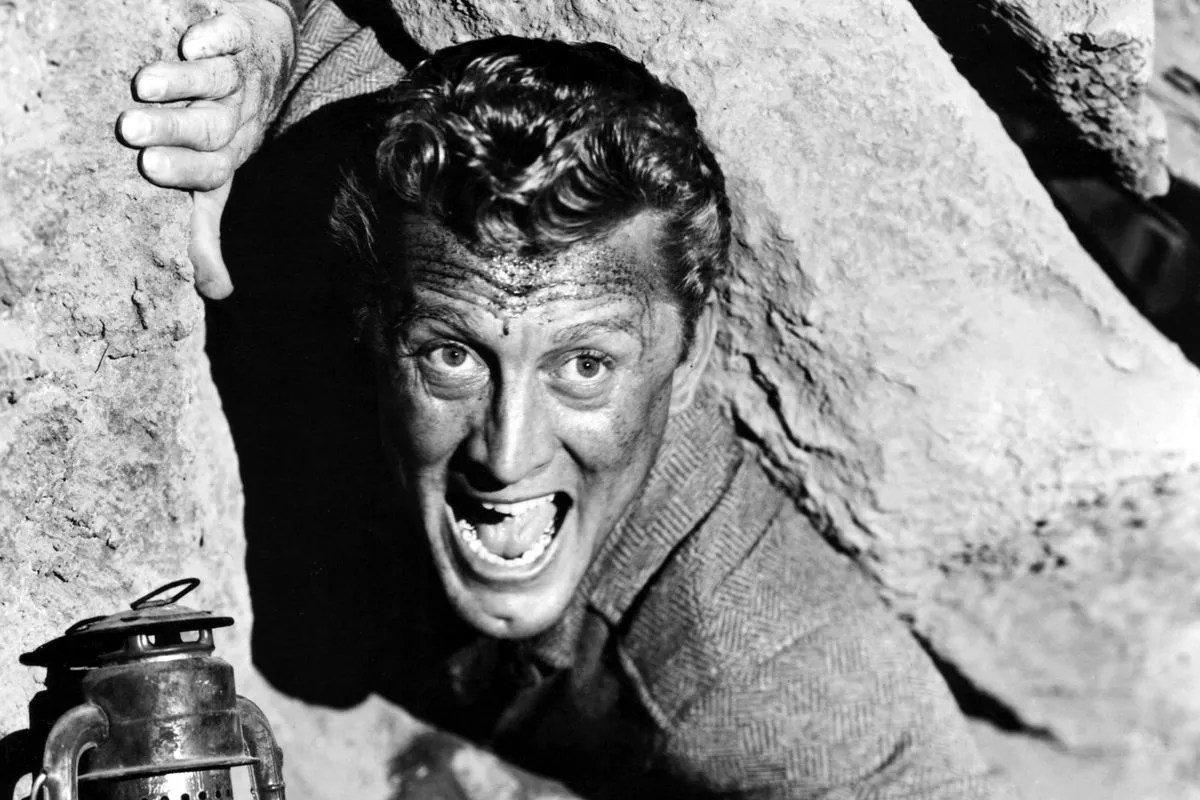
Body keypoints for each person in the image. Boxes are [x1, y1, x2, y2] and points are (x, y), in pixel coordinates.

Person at [119, 7, 1015, 799]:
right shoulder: (342, 203)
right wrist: (263, 49)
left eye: (584, 366)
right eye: (452, 356)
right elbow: (298, 33)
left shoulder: (767, 663)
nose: (507, 453)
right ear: (368, 320)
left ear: (690, 356)